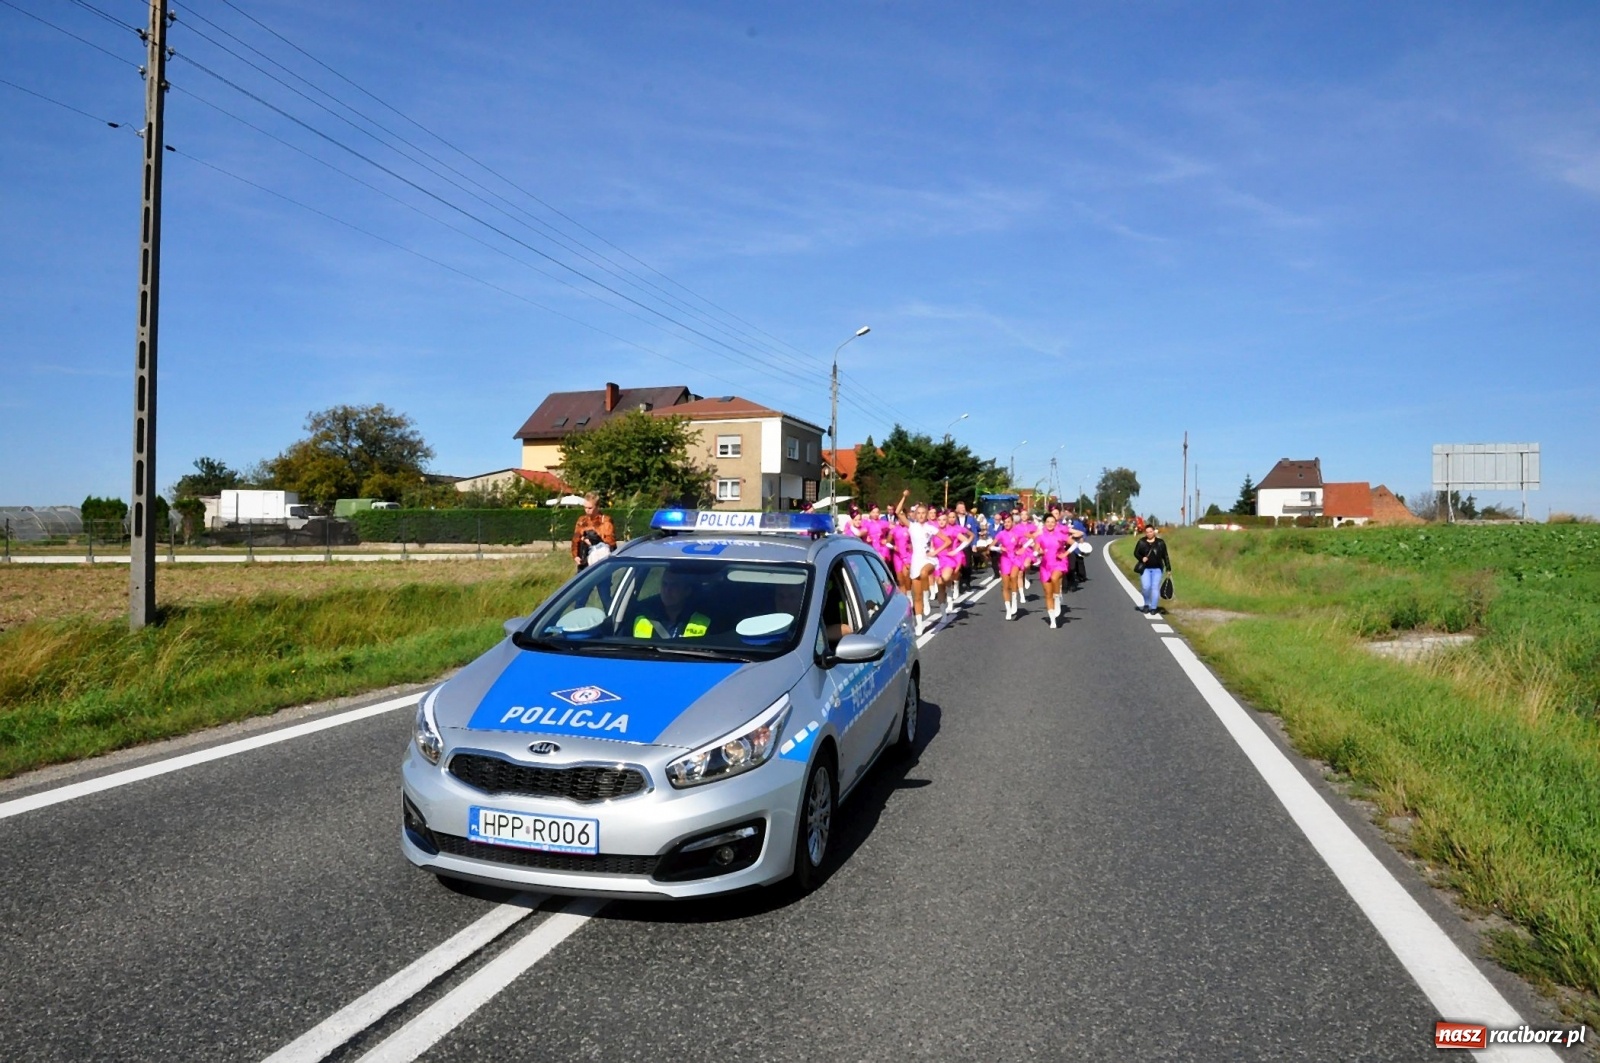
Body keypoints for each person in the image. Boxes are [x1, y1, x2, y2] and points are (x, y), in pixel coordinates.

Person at [631, 567, 712, 638]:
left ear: (687, 591)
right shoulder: (644, 616)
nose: (667, 590)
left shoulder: (703, 622)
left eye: (674, 585)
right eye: (665, 584)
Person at [571, 493, 616, 571]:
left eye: (590, 508)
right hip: (584, 559)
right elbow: (575, 539)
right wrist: (575, 555)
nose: (587, 510)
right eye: (585, 507)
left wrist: (594, 537)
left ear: (597, 507)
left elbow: (611, 542)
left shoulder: (605, 520)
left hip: (601, 559)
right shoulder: (582, 520)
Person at [1132, 524, 1171, 615]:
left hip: (1157, 569)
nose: (1149, 533)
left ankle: (1153, 607)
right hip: (1145, 569)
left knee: (1155, 587)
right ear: (1145, 533)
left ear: (1154, 531)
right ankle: (1146, 604)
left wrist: (1168, 568)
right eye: (1147, 532)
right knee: (1146, 587)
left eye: (1151, 531)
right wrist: (1141, 558)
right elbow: (1136, 553)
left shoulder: (1160, 543)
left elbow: (1165, 556)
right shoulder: (1141, 542)